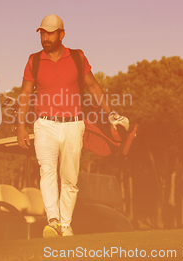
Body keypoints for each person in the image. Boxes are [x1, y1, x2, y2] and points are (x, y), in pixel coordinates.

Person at [17, 14, 129, 237]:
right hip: (45, 125)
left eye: (50, 33)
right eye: (42, 33)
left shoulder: (77, 57)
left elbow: (94, 87)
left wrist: (111, 113)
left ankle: (66, 225)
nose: (45, 38)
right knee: (47, 172)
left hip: (74, 125)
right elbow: (25, 94)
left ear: (62, 34)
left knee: (70, 179)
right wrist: (21, 126)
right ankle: (53, 220)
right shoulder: (34, 60)